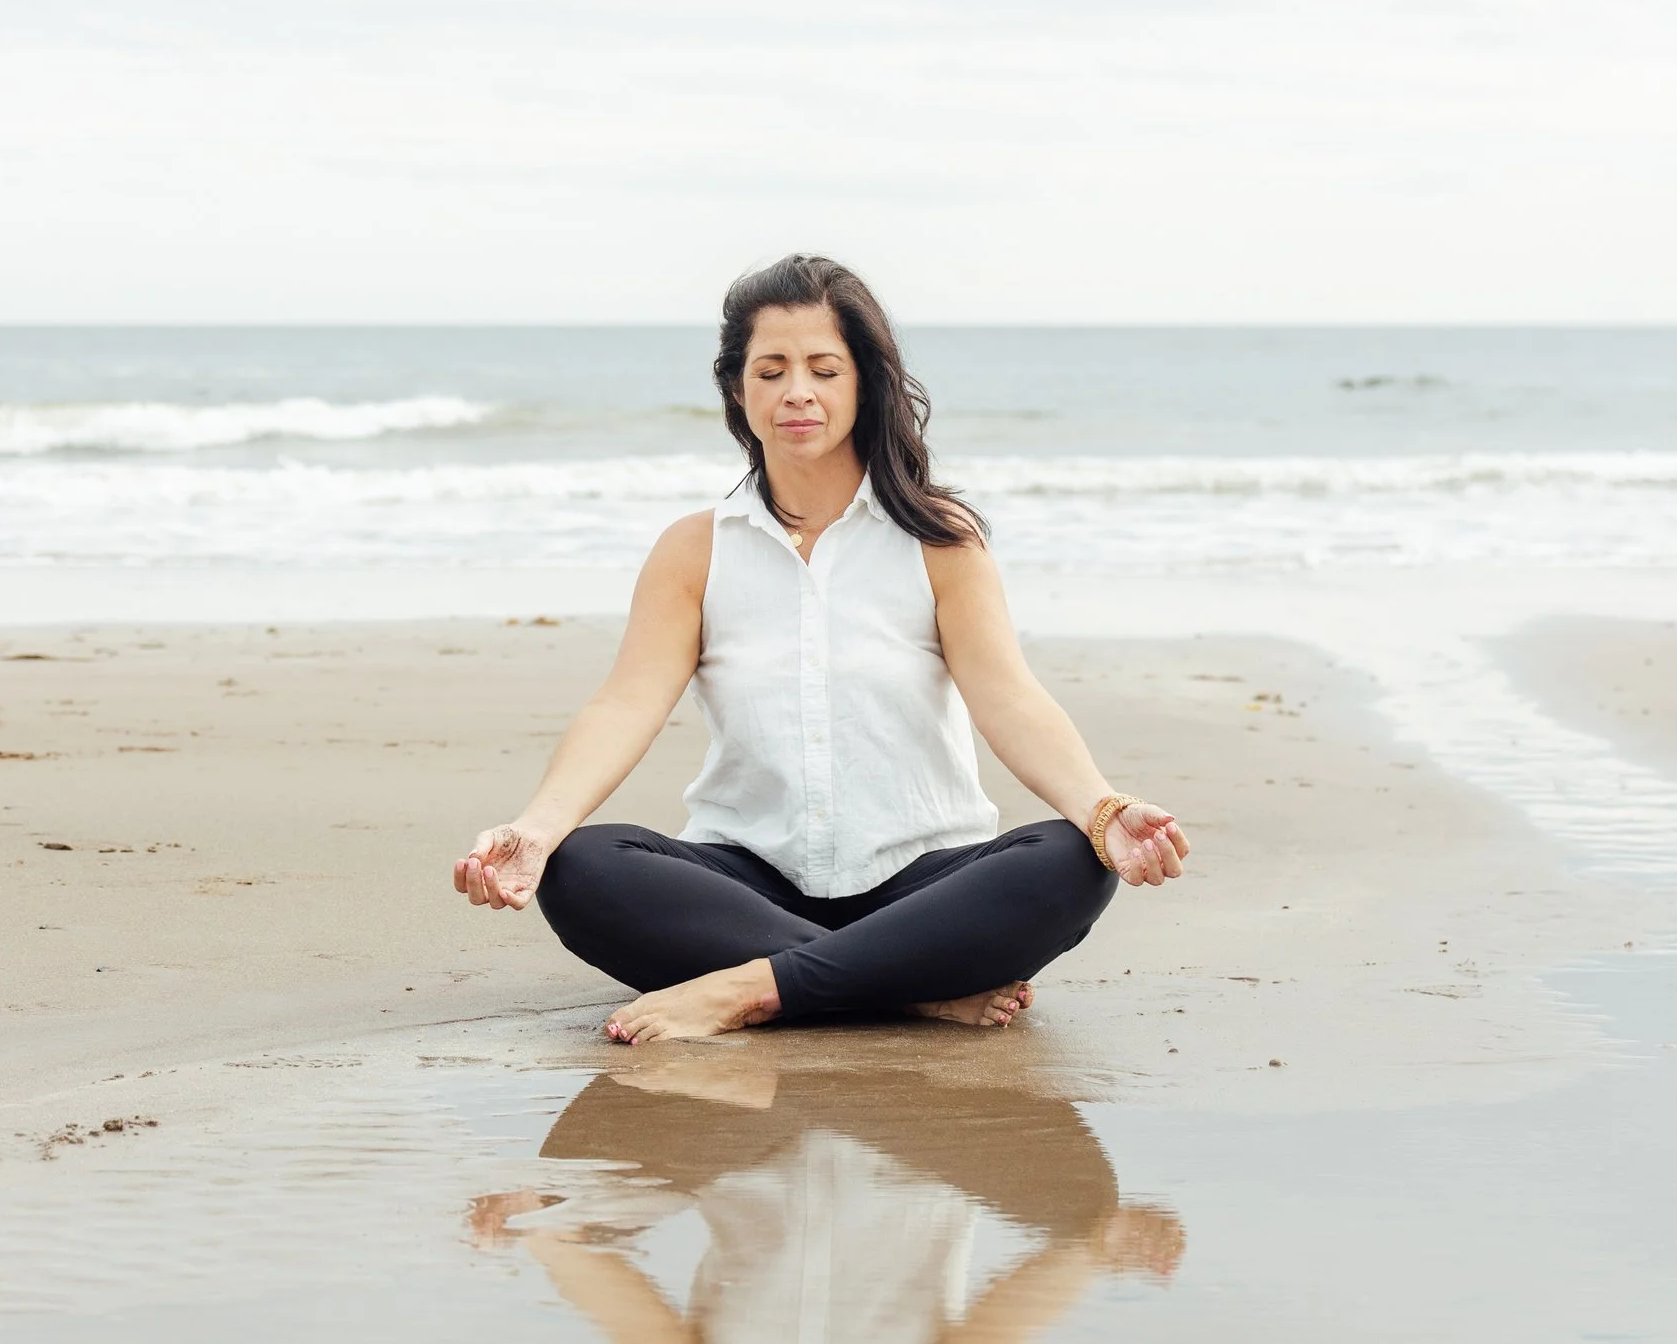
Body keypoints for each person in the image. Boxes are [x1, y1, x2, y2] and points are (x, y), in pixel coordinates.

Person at [450, 254, 1190, 1044]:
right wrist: (537, 826)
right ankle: (903, 990)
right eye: (770, 370)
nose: (796, 390)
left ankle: (749, 987)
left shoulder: (939, 540)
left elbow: (1008, 697)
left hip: (925, 887)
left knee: (1071, 859)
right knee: (580, 865)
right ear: (740, 390)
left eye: (822, 368)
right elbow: (626, 703)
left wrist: (1103, 808)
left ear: (861, 383)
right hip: (746, 886)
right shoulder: (694, 550)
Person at [469, 1056, 1185, 1343]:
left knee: (597, 875)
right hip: (918, 1135)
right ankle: (874, 968)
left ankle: (812, 963)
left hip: (742, 1122)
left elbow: (645, 1323)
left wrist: (551, 1229)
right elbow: (993, 1328)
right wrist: (1089, 1251)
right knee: (1060, 864)